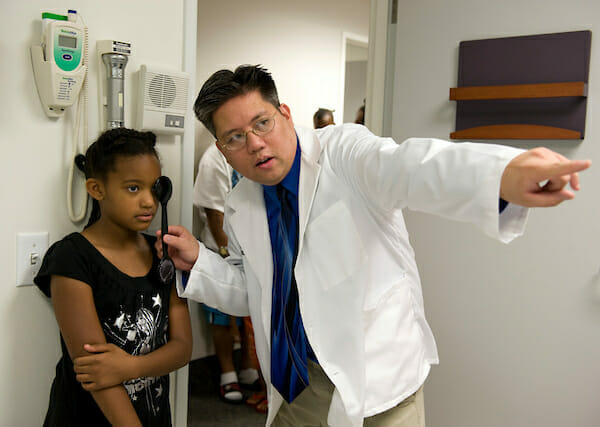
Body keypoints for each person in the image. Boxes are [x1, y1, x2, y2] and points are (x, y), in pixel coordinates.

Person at [157, 65, 591, 427]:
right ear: (222, 149)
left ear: (285, 114)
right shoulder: (242, 201)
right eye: (235, 137)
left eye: (261, 123)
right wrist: (199, 262)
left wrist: (500, 175)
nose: (253, 143)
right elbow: (256, 289)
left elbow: (410, 167)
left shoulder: (344, 152)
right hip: (297, 386)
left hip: (376, 386)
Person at [34, 128, 192, 427]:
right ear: (97, 189)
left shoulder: (163, 255)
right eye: (133, 188)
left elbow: (182, 347)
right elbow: (96, 373)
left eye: (153, 188)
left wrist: (130, 366)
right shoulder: (72, 258)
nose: (149, 201)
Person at [193, 143, 264, 406]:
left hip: (251, 249)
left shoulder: (250, 153)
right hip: (220, 249)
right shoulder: (213, 160)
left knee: (250, 314)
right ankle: (227, 373)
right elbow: (215, 215)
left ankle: (247, 368)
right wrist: (228, 257)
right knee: (221, 316)